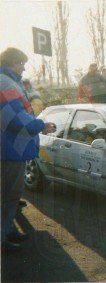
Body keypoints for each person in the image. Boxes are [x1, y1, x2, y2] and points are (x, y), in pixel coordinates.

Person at [0, 47, 56, 252]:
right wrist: (41, 125)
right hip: (10, 149)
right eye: (22, 63)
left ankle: (7, 230)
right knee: (9, 194)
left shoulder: (9, 81)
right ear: (13, 62)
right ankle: (2, 237)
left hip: (8, 147)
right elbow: (15, 119)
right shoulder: (5, 82)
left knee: (7, 195)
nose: (24, 67)